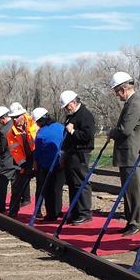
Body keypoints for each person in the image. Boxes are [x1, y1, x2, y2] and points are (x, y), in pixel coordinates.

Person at [108, 72, 140, 236]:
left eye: (117, 91)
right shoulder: (131, 103)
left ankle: (137, 222)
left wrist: (112, 132)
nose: (117, 95)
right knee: (128, 191)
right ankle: (131, 221)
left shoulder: (134, 104)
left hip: (132, 154)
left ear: (124, 89)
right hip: (127, 155)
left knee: (134, 191)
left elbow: (125, 130)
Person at [60, 91, 95, 225]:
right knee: (72, 183)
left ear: (73, 102)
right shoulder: (72, 115)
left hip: (81, 153)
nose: (65, 109)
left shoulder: (85, 115)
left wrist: (73, 131)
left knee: (81, 182)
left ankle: (85, 212)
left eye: (67, 106)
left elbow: (88, 136)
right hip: (70, 153)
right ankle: (75, 211)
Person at [32, 107, 66, 222]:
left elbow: (38, 150)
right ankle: (57, 210)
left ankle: (51, 214)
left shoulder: (41, 132)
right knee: (57, 188)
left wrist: (35, 162)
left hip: (47, 164)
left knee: (48, 189)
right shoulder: (61, 127)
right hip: (62, 162)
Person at [6, 102, 38, 218]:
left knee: (41, 186)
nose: (15, 120)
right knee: (17, 185)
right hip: (26, 160)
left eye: (16, 117)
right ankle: (13, 210)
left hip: (38, 157)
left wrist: (37, 160)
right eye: (13, 118)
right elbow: (15, 151)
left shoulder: (34, 124)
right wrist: (23, 164)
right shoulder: (11, 133)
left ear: (23, 115)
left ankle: (38, 211)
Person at [0, 106, 18, 213]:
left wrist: (1, 152)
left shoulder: (4, 130)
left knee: (2, 185)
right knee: (15, 186)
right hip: (17, 160)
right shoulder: (16, 125)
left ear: (2, 118)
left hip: (7, 161)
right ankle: (14, 208)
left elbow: (2, 148)